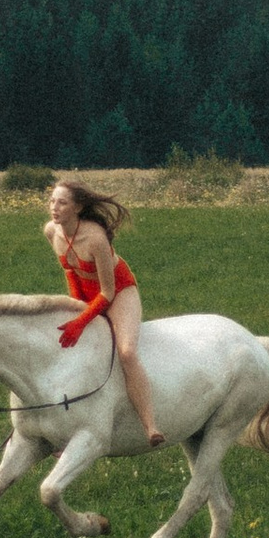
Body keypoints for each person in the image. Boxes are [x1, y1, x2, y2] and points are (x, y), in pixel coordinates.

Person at [43, 174, 163, 450]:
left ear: (78, 208)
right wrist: (77, 309)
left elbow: (108, 293)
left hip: (119, 293)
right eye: (52, 201)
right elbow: (70, 271)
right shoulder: (52, 231)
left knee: (127, 352)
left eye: (62, 203)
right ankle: (62, 430)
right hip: (86, 293)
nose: (54, 207)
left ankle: (150, 425)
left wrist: (82, 320)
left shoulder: (95, 238)